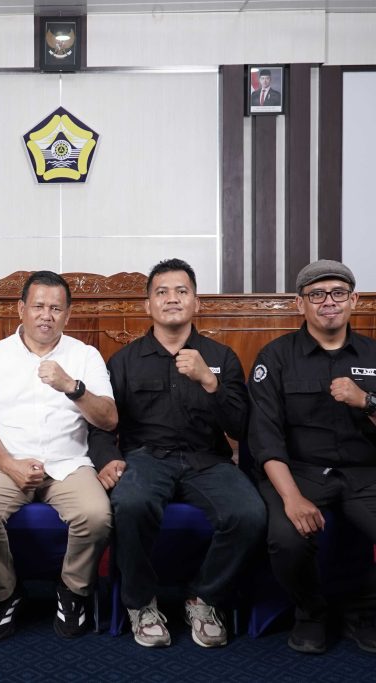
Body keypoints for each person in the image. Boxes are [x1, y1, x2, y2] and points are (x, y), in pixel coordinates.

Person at [247, 259, 376, 656]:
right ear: (300, 304)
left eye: (338, 292)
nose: (328, 301)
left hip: (362, 473)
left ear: (354, 300)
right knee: (286, 541)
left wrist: (368, 402)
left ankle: (357, 612)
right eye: (317, 294)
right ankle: (311, 612)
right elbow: (264, 438)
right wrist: (291, 498)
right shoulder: (275, 357)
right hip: (299, 472)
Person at [96, 258, 265, 648]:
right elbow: (102, 422)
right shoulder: (124, 361)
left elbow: (240, 427)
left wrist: (209, 382)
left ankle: (204, 599)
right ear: (148, 305)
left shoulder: (220, 358)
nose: (172, 299)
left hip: (208, 460)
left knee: (250, 515)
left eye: (181, 291)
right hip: (145, 458)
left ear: (196, 302)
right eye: (162, 292)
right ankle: (141, 603)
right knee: (131, 505)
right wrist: (106, 458)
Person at [0, 270, 117, 640]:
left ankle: (73, 590)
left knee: (97, 515)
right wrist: (10, 465)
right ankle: (5, 593)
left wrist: (72, 387)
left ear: (67, 314)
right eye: (38, 306)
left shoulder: (85, 355)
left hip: (69, 463)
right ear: (21, 309)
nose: (46, 315)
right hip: (6, 462)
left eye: (55, 308)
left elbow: (109, 419)